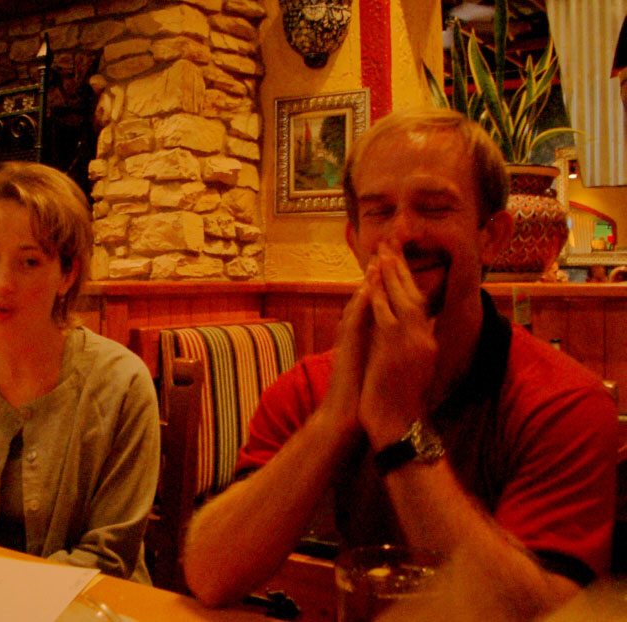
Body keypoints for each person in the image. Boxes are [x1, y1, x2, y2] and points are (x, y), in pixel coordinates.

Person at [182, 110, 618, 619]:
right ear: (354, 240)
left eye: (434, 208)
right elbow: (210, 574)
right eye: (379, 212)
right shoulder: (311, 387)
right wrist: (334, 418)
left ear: (492, 236)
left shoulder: (564, 401)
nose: (404, 233)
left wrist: (399, 429)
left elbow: (540, 616)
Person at [0, 161, 160, 583]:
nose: (2, 282)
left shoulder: (121, 383)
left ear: (67, 274)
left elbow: (109, 555)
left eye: (29, 262)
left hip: (90, 603)